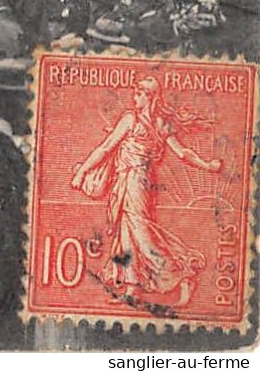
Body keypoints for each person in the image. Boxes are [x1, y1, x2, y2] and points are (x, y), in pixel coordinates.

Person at [70, 75, 222, 306]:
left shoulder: (132, 120)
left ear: (149, 96)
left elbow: (106, 148)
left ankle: (183, 277)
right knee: (127, 232)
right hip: (135, 181)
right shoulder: (158, 123)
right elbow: (182, 153)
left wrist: (82, 172)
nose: (134, 97)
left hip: (135, 180)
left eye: (139, 93)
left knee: (142, 235)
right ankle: (133, 289)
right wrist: (207, 165)